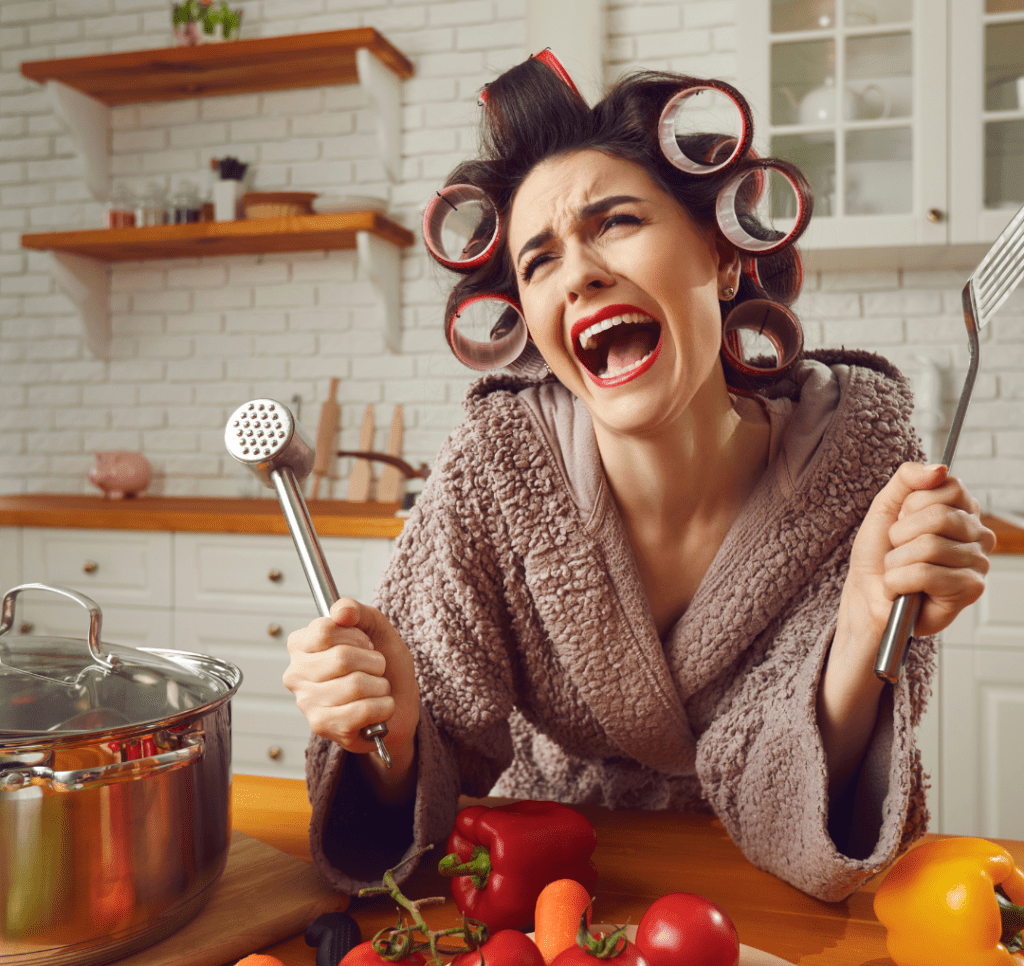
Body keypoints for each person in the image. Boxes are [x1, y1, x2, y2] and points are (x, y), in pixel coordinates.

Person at [283, 52, 995, 902]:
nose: (577, 272)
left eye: (615, 222)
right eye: (538, 261)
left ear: (725, 259)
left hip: (767, 888)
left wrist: (868, 628)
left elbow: (819, 785)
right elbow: (428, 761)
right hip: (550, 880)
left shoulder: (860, 470)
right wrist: (388, 730)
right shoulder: (495, 467)